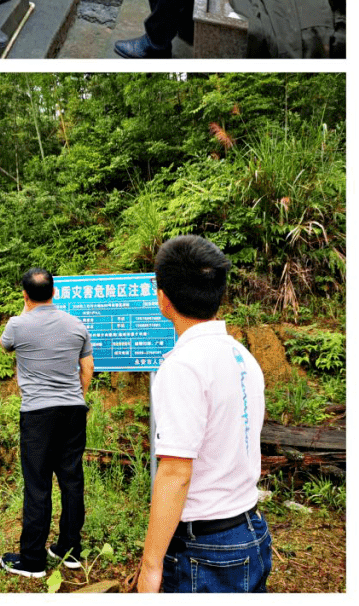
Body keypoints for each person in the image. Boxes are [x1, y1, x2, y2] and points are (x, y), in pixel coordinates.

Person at [138, 235, 270, 593]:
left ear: (162, 297)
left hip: (208, 550)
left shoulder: (183, 365)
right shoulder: (240, 354)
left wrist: (150, 567)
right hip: (250, 529)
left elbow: (176, 471)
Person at [0, 268, 94, 580]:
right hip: (73, 410)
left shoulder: (17, 325)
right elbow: (87, 368)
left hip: (38, 414)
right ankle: (70, 551)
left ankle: (33, 561)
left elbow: (6, 345)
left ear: (25, 295)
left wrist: (26, 309)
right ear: (55, 292)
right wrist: (75, 397)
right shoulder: (76, 325)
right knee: (71, 480)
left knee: (38, 485)